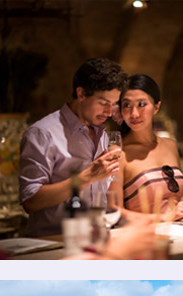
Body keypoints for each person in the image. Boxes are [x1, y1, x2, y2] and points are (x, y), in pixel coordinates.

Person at [19, 58, 128, 237]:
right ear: (82, 93)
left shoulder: (101, 132)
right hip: (54, 244)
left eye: (113, 104)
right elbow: (30, 201)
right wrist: (87, 177)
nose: (109, 112)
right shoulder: (42, 133)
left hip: (97, 240)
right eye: (103, 103)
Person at [110, 74, 183, 220]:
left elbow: (181, 195)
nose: (134, 113)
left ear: (156, 107)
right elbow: (114, 210)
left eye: (142, 104)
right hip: (146, 236)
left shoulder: (170, 145)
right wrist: (164, 217)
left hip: (181, 232)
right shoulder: (118, 153)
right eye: (127, 105)